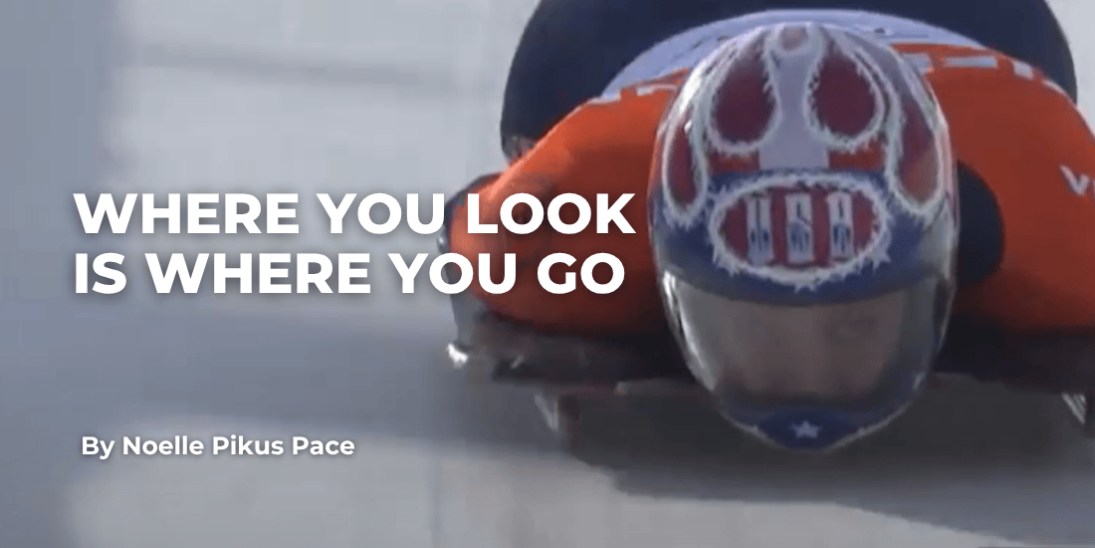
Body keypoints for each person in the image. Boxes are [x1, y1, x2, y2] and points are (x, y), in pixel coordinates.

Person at [443, 0, 1095, 450]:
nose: (809, 374)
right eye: (758, 331)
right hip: (977, 19)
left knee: (543, 98)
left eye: (852, 325)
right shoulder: (1060, 228)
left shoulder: (550, 228)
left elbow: (466, 222)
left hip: (628, 22)